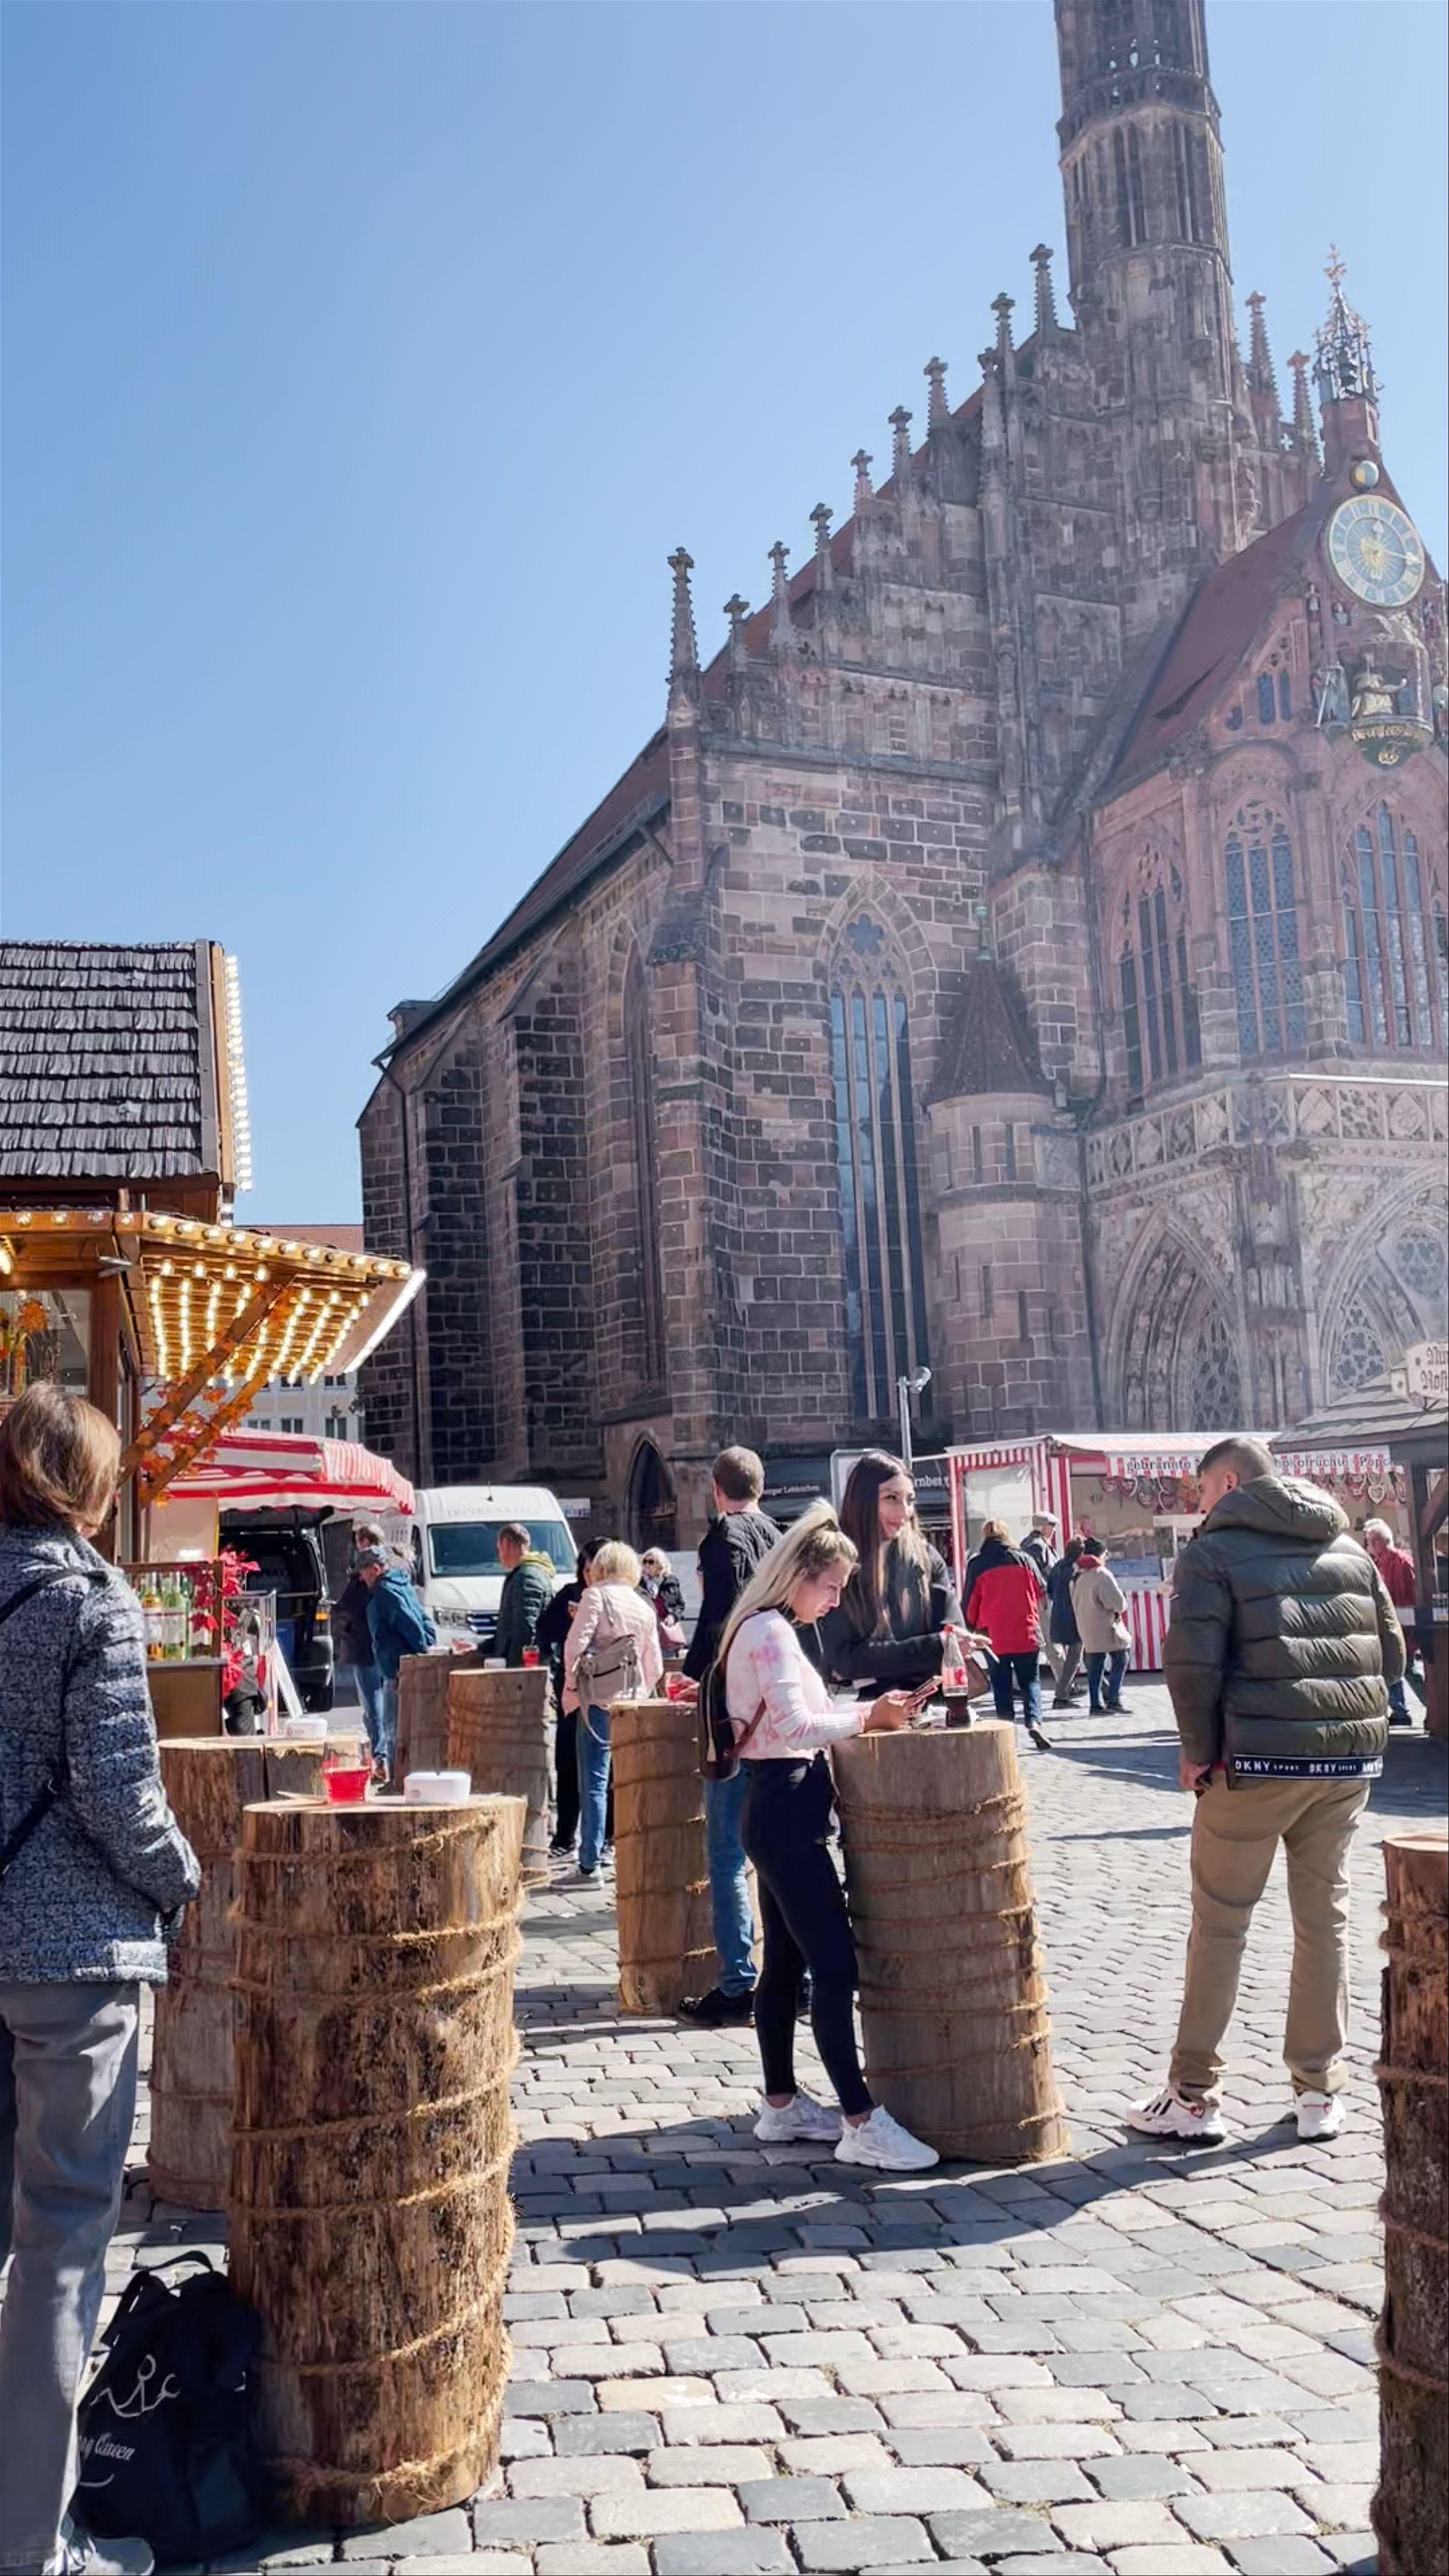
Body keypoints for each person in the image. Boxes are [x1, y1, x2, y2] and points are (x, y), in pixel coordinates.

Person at [0, 1385, 201, 2576]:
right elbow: (118, 1793)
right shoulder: (90, 1598)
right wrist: (181, 1878)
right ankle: (31, 2542)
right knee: (62, 2242)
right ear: (84, 1482)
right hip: (72, 1957)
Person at [1130, 1435, 1401, 2146]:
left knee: (1220, 1924)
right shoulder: (1350, 1548)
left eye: (1201, 1491)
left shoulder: (1212, 1553)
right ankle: (1319, 2090)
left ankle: (1194, 2095)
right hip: (1343, 1767)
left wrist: (1196, 1752)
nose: (1197, 1505)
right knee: (1325, 1923)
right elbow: (1393, 1654)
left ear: (1227, 1482)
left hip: (1253, 1764)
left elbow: (1192, 1667)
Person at [718, 1501, 938, 2172]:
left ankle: (781, 2107)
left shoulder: (763, 1627)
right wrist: (870, 1715)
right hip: (786, 1813)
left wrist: (870, 1712)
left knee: (785, 1965)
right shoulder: (772, 1633)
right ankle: (860, 2119)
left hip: (775, 1808)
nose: (836, 1600)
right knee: (835, 1965)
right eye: (833, 1586)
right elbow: (797, 1726)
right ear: (799, 1576)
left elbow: (803, 1715)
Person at [678, 1447, 780, 2027]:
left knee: (726, 1855)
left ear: (717, 1490)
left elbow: (719, 1615)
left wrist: (692, 1675)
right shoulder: (781, 1534)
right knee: (775, 1851)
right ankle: (795, 1978)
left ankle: (739, 1980)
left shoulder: (724, 1537)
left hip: (733, 1711)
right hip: (779, 1707)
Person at [817, 1451, 964, 1695]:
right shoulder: (838, 1560)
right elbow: (845, 1659)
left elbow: (952, 1638)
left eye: (910, 1499)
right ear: (863, 1500)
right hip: (864, 1712)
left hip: (931, 1705)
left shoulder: (926, 1557)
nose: (905, 1511)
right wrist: (931, 1647)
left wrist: (883, 1657)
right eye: (892, 1498)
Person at [564, 1541, 663, 1882]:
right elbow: (656, 1666)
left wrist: (574, 1687)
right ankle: (628, 1852)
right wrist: (639, 1692)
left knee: (594, 1779)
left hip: (599, 1701)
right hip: (632, 1703)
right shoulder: (642, 1605)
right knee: (628, 1780)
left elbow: (574, 1646)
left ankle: (590, 1860)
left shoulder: (595, 1596)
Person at [538, 1535, 603, 1857]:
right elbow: (544, 1630)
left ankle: (605, 1840)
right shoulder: (570, 1596)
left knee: (603, 1770)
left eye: (597, 1569)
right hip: (572, 1690)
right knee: (567, 1761)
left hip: (605, 1693)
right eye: (587, 1570)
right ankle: (566, 1836)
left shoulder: (620, 1598)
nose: (591, 1576)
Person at [966, 1520, 1053, 1751]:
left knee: (1001, 1685)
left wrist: (970, 1630)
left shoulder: (978, 1564)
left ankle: (1006, 1732)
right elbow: (1041, 1589)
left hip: (994, 1636)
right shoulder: (1024, 1559)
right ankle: (1034, 1722)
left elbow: (971, 1602)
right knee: (1031, 1682)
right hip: (1027, 1631)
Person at [356, 1544, 435, 1783]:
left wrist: (422, 1649)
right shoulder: (403, 1585)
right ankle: (400, 1779)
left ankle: (396, 1781)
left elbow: (412, 1624)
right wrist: (428, 1644)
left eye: (364, 1572)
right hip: (402, 1667)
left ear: (376, 1569)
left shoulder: (386, 1593)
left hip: (398, 1671)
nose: (362, 1578)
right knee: (401, 1728)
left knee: (394, 1730)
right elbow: (424, 1620)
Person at [1362, 1518, 1418, 1726]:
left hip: (1401, 1625)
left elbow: (1404, 1597)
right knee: (1396, 1667)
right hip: (1394, 1624)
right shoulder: (1384, 1562)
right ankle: (1400, 1710)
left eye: (1369, 1541)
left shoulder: (1398, 1562)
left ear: (1378, 1541)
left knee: (1406, 1668)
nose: (1368, 1546)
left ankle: (1415, 1707)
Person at [1071, 1541, 1131, 1713]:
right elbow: (1118, 1603)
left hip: (1086, 1628)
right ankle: (1114, 1699)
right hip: (1106, 1627)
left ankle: (1095, 1704)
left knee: (1095, 1667)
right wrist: (1121, 1607)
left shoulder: (1078, 1576)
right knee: (1121, 1658)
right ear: (1101, 1555)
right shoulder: (1102, 1575)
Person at [494, 1521, 557, 1668]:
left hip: (524, 1671)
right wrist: (480, 1648)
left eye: (499, 1550)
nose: (499, 1556)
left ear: (506, 1545)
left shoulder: (526, 1577)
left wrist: (514, 1671)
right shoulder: (533, 1572)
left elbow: (525, 1632)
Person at [1045, 1535, 1086, 1709]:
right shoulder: (1077, 1570)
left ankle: (1106, 1689)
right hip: (1074, 1616)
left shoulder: (1057, 1567)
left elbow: (1050, 1592)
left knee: (1081, 1654)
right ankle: (1061, 1696)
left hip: (1058, 1615)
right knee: (1076, 1655)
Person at [639, 1547, 687, 1654]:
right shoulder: (640, 1584)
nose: (647, 1565)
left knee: (668, 1662)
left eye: (651, 1562)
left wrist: (673, 1616)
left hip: (666, 1631)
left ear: (660, 1564)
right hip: (648, 1632)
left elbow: (680, 1605)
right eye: (645, 1562)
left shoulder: (670, 1582)